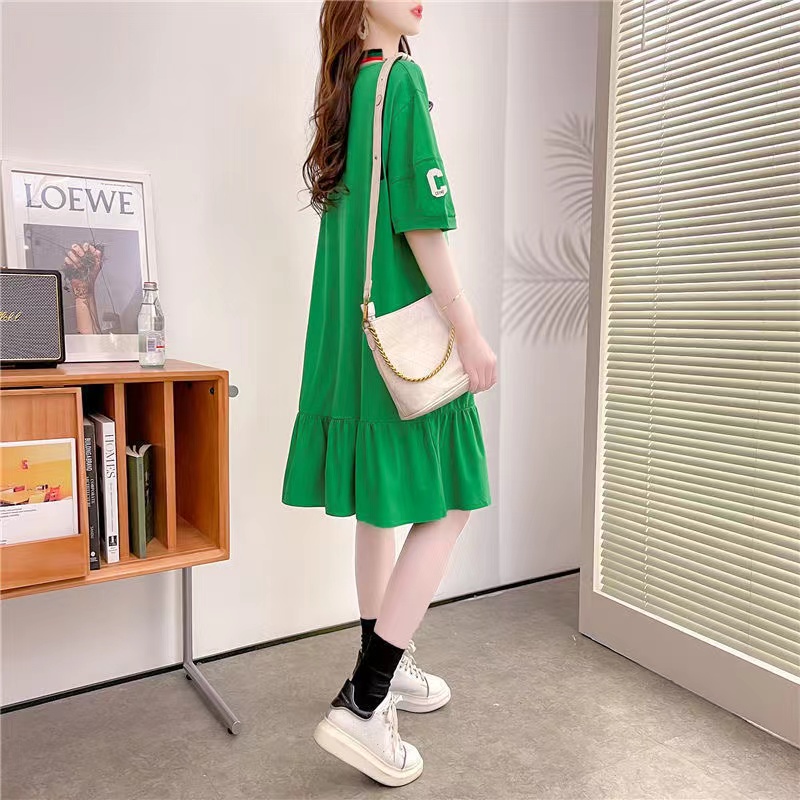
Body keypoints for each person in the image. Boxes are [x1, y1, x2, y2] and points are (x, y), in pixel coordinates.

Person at [281, 0, 497, 787]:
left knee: (379, 510)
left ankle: (384, 657)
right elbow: (421, 226)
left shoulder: (349, 86)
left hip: (348, 339)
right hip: (403, 337)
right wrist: (468, 333)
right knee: (452, 504)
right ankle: (365, 700)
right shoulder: (400, 82)